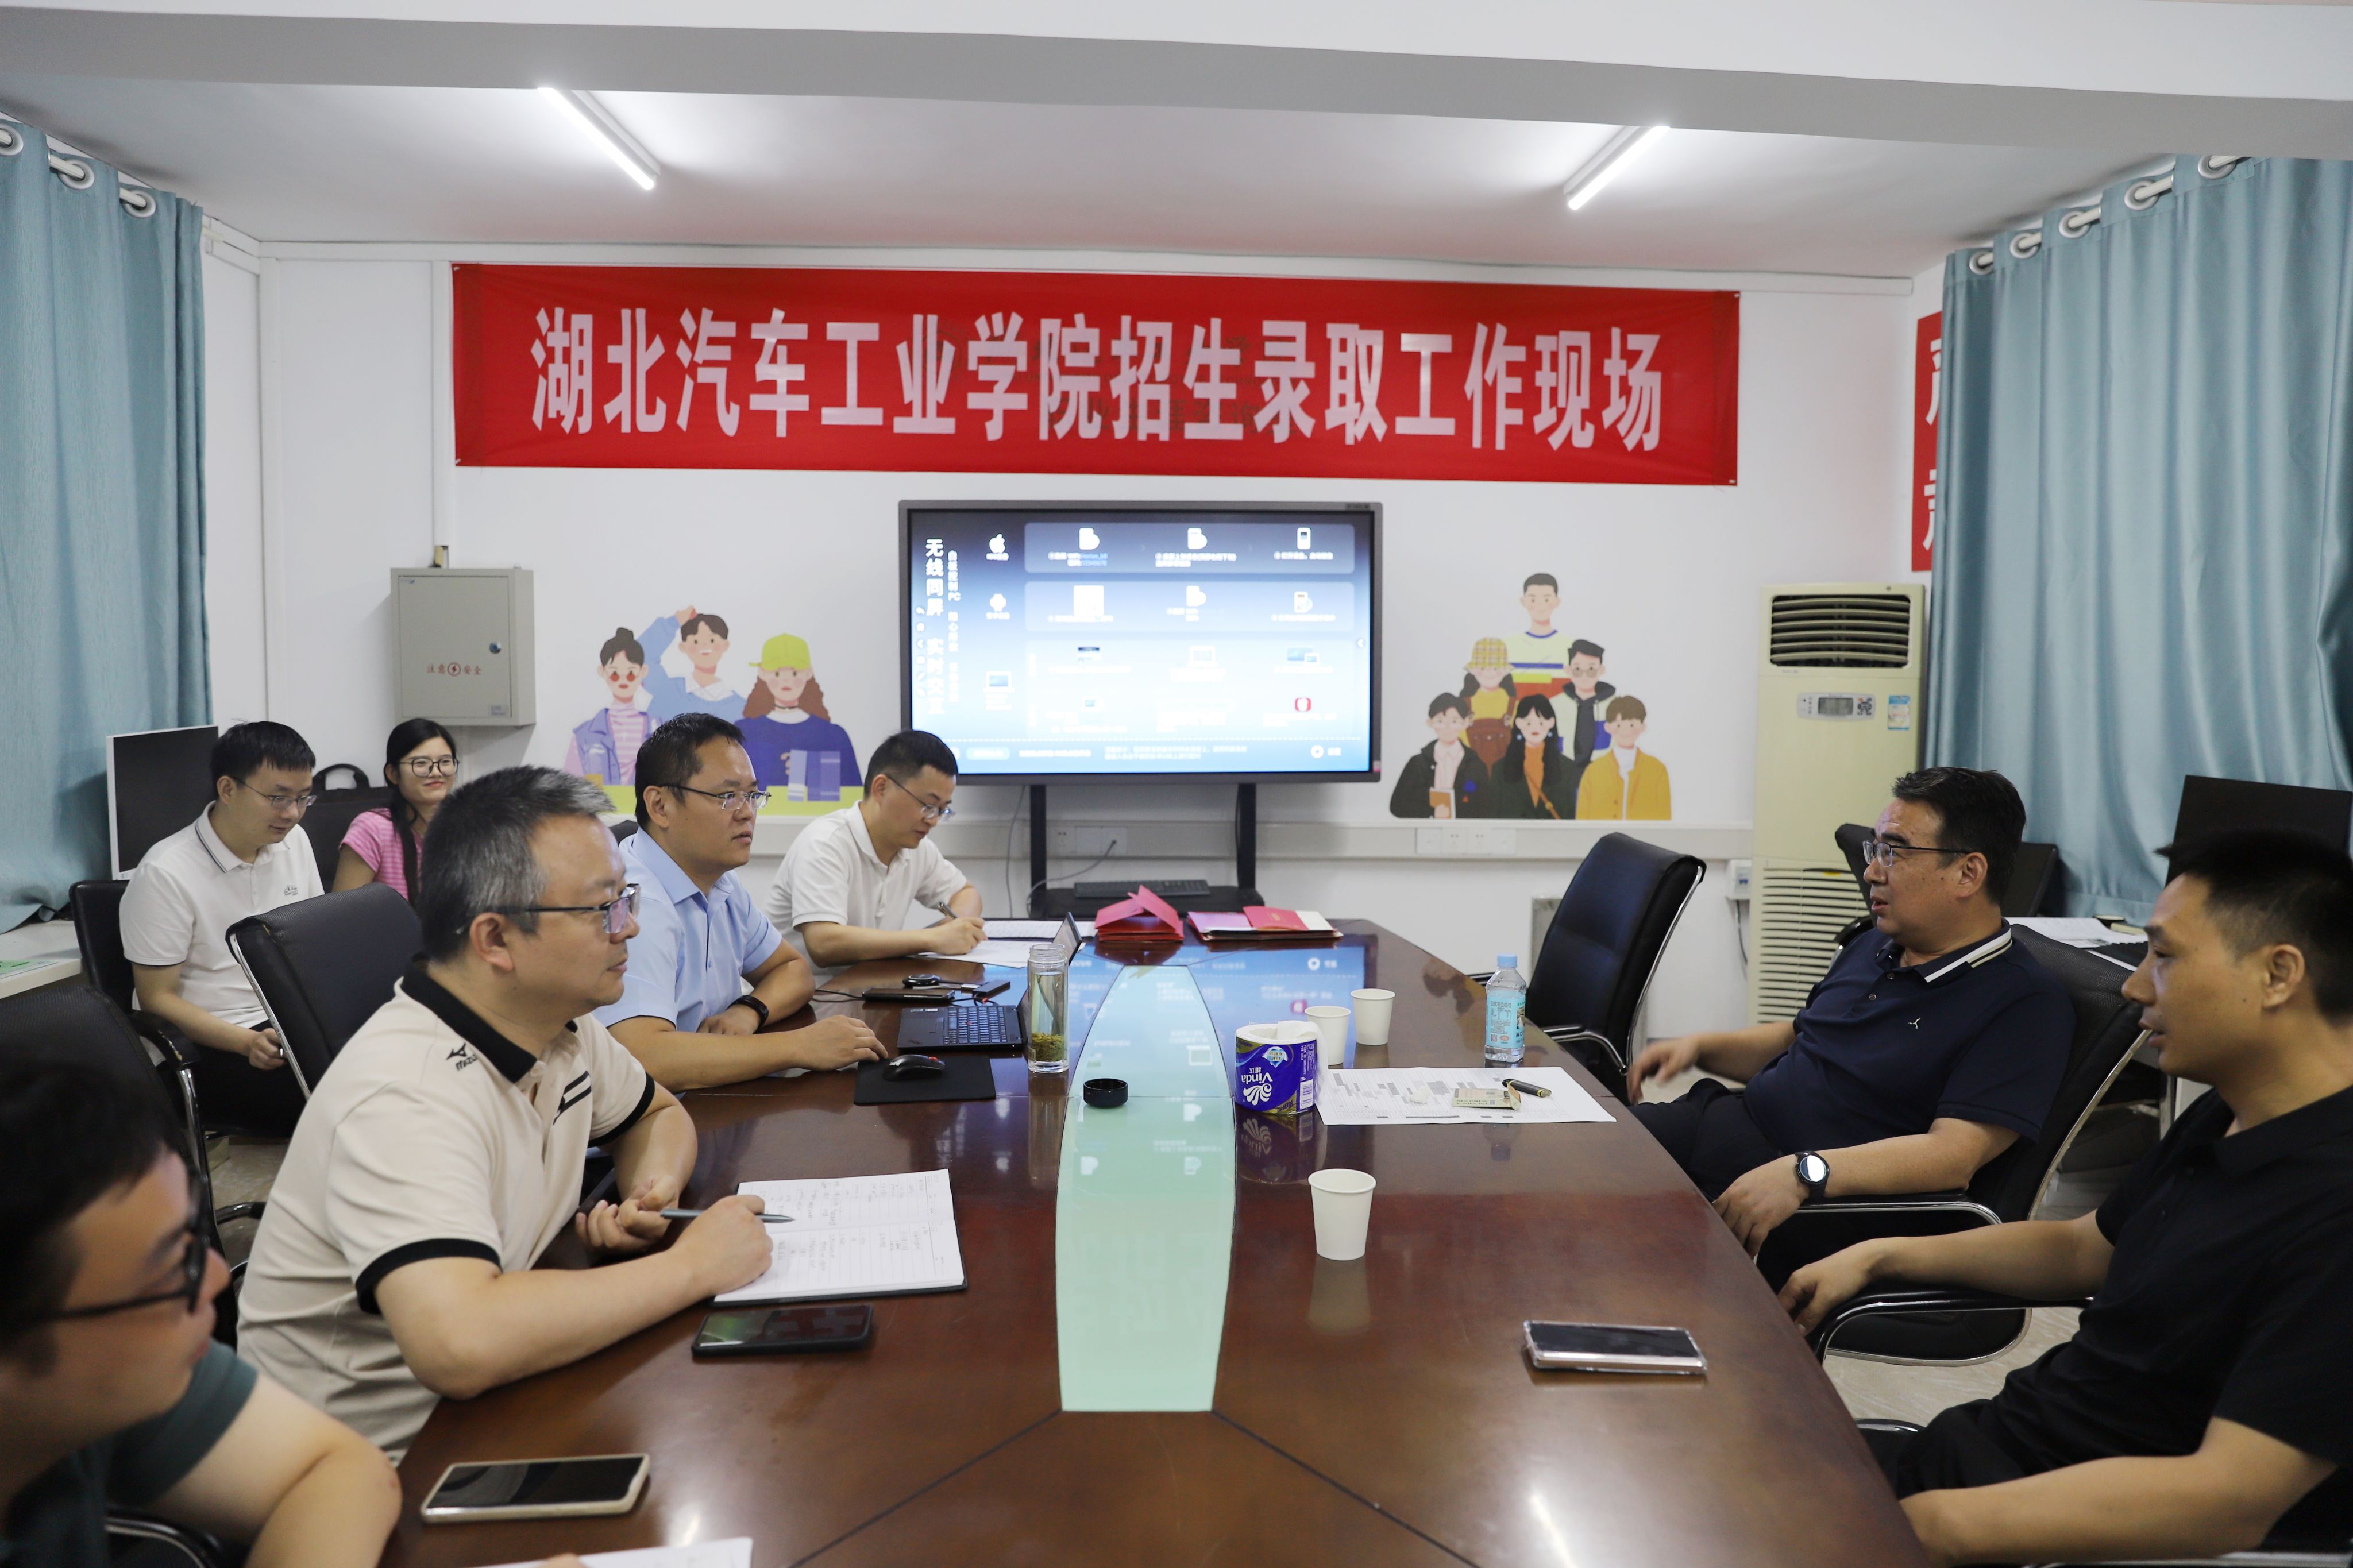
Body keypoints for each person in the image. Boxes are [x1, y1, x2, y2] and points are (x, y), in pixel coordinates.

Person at [1783, 829, 2353, 1566]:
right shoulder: (2232, 1112)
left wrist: (1929, 1529)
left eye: (2165, 957)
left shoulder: (2334, 1209)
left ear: (2278, 975)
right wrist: (1880, 1255)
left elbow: (2229, 1498)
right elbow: (2082, 1247)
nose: (2135, 986)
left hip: (2042, 1534)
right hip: (1986, 1462)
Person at [235, 766, 775, 1459]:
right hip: (371, 1466)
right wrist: (694, 1267)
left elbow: (656, 1115)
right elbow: (460, 1344)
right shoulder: (406, 1094)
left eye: (626, 898)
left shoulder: (558, 1024)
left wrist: (651, 1192)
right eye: (602, 908)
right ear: (494, 940)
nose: (630, 927)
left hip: (499, 1398)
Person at [1625, 767, 2072, 1259]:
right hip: (1726, 1124)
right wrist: (1700, 1048)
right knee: (1580, 1151)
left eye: (1895, 852)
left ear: (1968, 873)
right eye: (1875, 850)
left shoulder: (2024, 1003)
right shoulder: (1875, 942)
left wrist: (1804, 1173)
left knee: (1614, 1243)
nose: (1872, 872)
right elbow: (1802, 1039)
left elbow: (1952, 1156)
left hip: (1814, 1202)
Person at [0, 1057, 399, 1568]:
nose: (217, 1279)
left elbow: (336, 1468)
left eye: (192, 1239)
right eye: (170, 1272)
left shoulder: (112, 1377)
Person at [599, 714, 886, 1090]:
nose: (747, 812)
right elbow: (643, 1057)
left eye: (751, 795)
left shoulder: (720, 882)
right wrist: (799, 1046)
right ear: (660, 806)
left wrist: (748, 1011)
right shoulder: (635, 904)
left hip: (711, 1099)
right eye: (727, 797)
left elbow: (792, 970)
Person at [122, 721, 324, 1137]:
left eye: (303, 797)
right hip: (211, 1044)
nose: (292, 813)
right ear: (228, 789)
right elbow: (156, 999)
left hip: (285, 1023)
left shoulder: (295, 842)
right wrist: (246, 1043)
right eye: (278, 798)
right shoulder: (166, 872)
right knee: (344, 1099)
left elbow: (313, 944)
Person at [763, 729, 985, 970]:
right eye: (928, 806)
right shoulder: (825, 843)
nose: (933, 820)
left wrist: (957, 927)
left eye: (942, 810)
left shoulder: (916, 848)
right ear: (882, 788)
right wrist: (932, 939)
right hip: (806, 989)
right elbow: (823, 943)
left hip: (864, 985)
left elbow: (966, 892)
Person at [333, 717, 457, 901]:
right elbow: (343, 912)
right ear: (393, 774)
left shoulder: (467, 827)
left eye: (445, 762)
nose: (436, 772)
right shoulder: (372, 830)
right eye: (421, 763)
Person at [739, 632, 862, 801]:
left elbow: (854, 795)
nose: (786, 681)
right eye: (777, 673)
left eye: (795, 673)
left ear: (808, 673)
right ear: (763, 673)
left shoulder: (834, 735)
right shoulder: (745, 732)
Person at [564, 625, 654, 787]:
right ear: (602, 672)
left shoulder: (660, 730)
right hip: (600, 805)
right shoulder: (584, 736)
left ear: (643, 671)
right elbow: (570, 790)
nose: (623, 680)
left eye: (631, 674)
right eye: (614, 674)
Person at [1388, 693, 1490, 820]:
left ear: (1465, 723)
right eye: (1440, 721)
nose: (1447, 727)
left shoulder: (1475, 765)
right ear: (1430, 723)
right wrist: (1431, 812)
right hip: (1426, 829)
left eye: (1454, 721)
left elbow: (1484, 807)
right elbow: (1398, 805)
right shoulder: (1418, 763)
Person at [1572, 694, 1672, 821]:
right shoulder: (1593, 771)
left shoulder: (1657, 770)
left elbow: (1664, 818)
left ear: (1643, 727)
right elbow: (1582, 818)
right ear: (1608, 727)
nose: (1625, 731)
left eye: (1632, 725)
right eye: (1619, 725)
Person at [640, 606, 740, 721]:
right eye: (696, 641)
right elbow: (638, 659)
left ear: (725, 645)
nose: (704, 645)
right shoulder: (667, 690)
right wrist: (673, 622)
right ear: (683, 647)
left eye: (712, 640)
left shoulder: (739, 707)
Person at [1487, 693, 1577, 821]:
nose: (1535, 728)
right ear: (1518, 723)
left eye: (1541, 722)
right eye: (1528, 722)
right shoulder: (1500, 769)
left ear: (1551, 723)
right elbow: (1493, 815)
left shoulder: (1568, 768)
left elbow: (1571, 816)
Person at [1557, 639, 1616, 799]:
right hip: (1564, 782)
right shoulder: (1555, 705)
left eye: (1591, 669)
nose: (1584, 676)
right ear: (1568, 670)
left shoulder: (1614, 706)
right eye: (1577, 669)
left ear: (1601, 670)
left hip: (1604, 782)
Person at [1505, 572, 1571, 697]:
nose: (1540, 605)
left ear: (1557, 602)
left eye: (1546, 599)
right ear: (1523, 601)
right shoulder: (1508, 646)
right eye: (1533, 599)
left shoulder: (1570, 646)